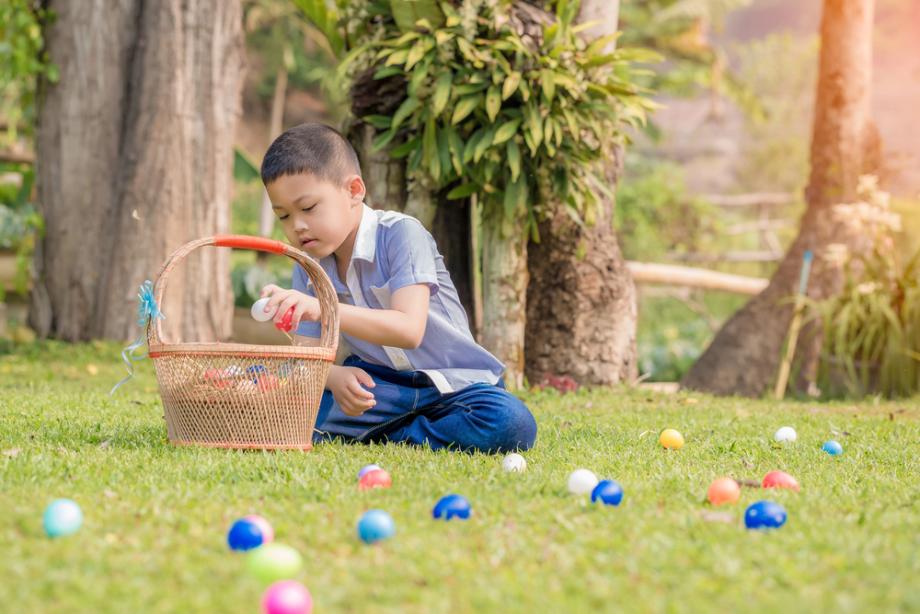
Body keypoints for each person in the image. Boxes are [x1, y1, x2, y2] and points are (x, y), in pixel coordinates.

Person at [258, 123, 537, 453]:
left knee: (509, 422)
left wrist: (323, 307)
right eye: (284, 216)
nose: (298, 226)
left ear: (354, 190)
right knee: (288, 414)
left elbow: (409, 330)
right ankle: (388, 427)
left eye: (308, 208)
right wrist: (332, 378)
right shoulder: (307, 266)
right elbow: (306, 360)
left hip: (452, 386)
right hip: (380, 387)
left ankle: (387, 433)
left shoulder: (401, 234)